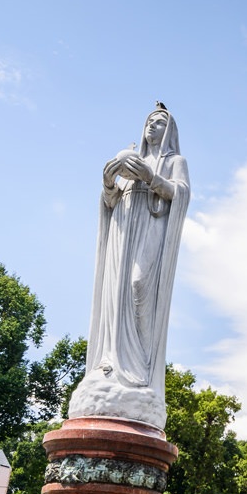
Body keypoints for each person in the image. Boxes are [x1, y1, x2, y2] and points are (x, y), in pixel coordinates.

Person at [68, 103, 191, 429]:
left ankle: (139, 370)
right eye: (150, 121)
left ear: (169, 131)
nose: (153, 126)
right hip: (123, 232)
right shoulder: (130, 158)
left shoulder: (174, 162)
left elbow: (181, 194)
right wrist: (109, 181)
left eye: (160, 122)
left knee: (139, 286)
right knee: (116, 294)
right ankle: (109, 362)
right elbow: (110, 200)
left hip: (150, 228)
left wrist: (151, 177)